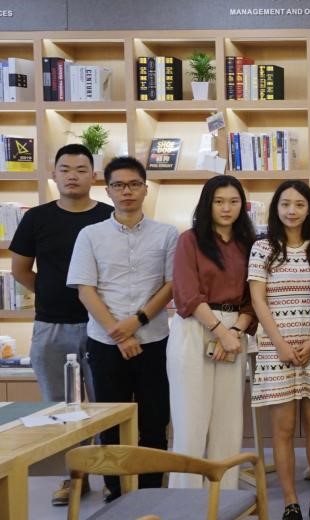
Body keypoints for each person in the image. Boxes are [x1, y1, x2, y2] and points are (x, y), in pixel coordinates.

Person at [66, 155, 179, 501]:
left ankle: (150, 492)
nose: (126, 191)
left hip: (154, 340)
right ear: (108, 190)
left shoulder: (167, 234)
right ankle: (116, 492)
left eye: (133, 184)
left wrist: (137, 322)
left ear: (145, 189)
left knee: (154, 421)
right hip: (104, 343)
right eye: (118, 185)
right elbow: (85, 289)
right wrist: (118, 332)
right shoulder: (90, 235)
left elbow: (171, 285)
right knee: (110, 423)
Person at [10, 144, 113, 506]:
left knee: (105, 405)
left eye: (81, 169)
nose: (72, 176)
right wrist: (52, 291)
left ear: (94, 176)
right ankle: (73, 478)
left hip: (101, 325)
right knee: (58, 407)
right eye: (65, 169)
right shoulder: (36, 218)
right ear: (53, 174)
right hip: (51, 326)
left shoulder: (108, 216)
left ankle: (111, 476)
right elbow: (21, 270)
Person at [248, 179, 310, 520]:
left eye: (299, 204)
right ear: (276, 209)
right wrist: (280, 344)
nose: (292, 210)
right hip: (275, 349)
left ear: (309, 209)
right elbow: (258, 299)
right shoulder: (263, 247)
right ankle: (290, 501)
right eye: (285, 204)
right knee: (282, 429)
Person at [168, 175, 256, 490]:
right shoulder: (189, 240)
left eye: (233, 201)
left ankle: (224, 500)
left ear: (242, 205)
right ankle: (186, 504)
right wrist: (221, 332)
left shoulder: (250, 244)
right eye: (219, 201)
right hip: (195, 328)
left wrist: (234, 333)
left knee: (228, 425)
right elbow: (186, 293)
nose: (226, 208)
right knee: (190, 424)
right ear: (208, 204)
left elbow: (254, 298)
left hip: (235, 329)